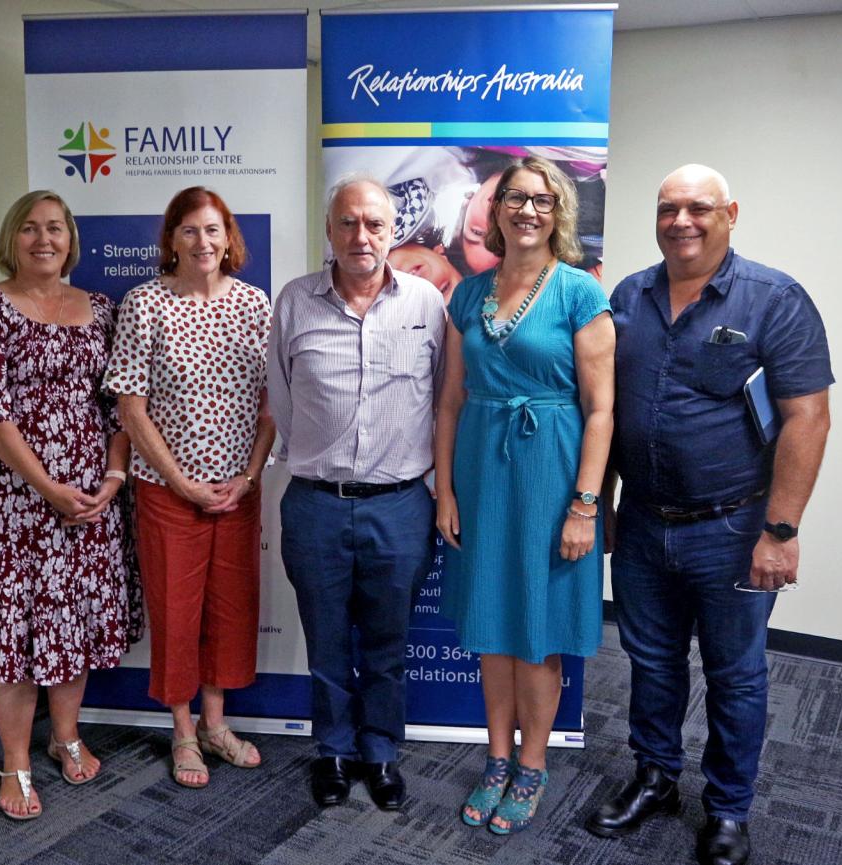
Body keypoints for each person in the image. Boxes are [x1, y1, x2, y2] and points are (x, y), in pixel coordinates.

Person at [583, 164, 832, 865]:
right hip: (642, 523)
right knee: (651, 662)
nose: (681, 221)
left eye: (698, 208)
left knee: (736, 673)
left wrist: (780, 531)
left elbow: (808, 417)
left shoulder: (773, 299)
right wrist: (600, 503)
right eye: (668, 208)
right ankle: (656, 776)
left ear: (731, 213)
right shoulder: (630, 295)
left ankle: (727, 807)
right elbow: (603, 410)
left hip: (733, 528)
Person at [0, 190, 142, 821]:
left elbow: (121, 404)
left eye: (55, 228)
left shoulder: (104, 310)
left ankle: (64, 737)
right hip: (9, 501)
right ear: (13, 238)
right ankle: (16, 762)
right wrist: (49, 488)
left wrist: (112, 478)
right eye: (29, 228)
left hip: (89, 497)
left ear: (70, 238)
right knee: (16, 629)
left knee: (71, 621)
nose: (43, 239)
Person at [434, 156, 615, 835]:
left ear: (557, 210)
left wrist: (585, 506)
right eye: (515, 198)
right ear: (496, 208)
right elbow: (449, 400)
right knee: (492, 631)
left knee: (536, 636)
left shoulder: (579, 293)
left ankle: (531, 764)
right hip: (483, 471)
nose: (527, 210)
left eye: (541, 200)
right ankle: (496, 756)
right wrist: (444, 488)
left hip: (551, 473)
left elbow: (601, 410)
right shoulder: (467, 294)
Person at [267, 176, 445, 811]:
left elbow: (445, 400)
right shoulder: (293, 302)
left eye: (373, 224)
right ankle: (334, 751)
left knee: (388, 642)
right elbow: (282, 402)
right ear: (329, 230)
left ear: (393, 230)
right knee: (327, 641)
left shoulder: (427, 303)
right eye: (347, 223)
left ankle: (381, 752)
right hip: (315, 501)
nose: (361, 236)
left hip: (400, 504)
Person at [103, 187, 274, 789]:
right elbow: (130, 405)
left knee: (228, 612)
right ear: (171, 240)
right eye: (190, 231)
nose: (203, 242)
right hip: (167, 493)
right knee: (178, 614)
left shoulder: (255, 305)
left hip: (238, 492)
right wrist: (180, 482)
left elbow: (271, 402)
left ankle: (216, 724)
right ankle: (181, 731)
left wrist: (248, 477)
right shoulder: (146, 304)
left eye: (214, 230)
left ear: (229, 239)